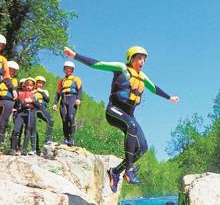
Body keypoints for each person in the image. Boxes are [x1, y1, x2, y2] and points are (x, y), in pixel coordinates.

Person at [63, 46, 179, 192]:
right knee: (131, 125)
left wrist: (169, 97)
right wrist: (75, 56)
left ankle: (116, 172)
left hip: (129, 116)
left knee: (142, 148)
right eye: (138, 58)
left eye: (144, 59)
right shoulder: (120, 67)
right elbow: (97, 64)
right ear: (130, 58)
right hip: (113, 111)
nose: (141, 62)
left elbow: (154, 88)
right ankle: (129, 170)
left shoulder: (142, 76)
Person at [53, 61, 82, 146]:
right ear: (64, 69)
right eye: (66, 68)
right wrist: (55, 103)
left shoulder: (76, 79)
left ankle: (71, 138)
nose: (68, 70)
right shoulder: (61, 81)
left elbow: (80, 90)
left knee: (71, 117)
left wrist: (79, 99)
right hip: (64, 99)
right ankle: (66, 138)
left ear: (72, 70)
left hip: (72, 98)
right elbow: (58, 93)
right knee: (64, 119)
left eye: (70, 68)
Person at [11, 77, 40, 155]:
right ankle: (13, 148)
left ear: (33, 86)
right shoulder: (19, 93)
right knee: (16, 130)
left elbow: (38, 106)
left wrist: (32, 101)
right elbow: (16, 102)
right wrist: (14, 108)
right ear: (24, 85)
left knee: (28, 131)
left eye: (30, 85)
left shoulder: (35, 94)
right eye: (27, 85)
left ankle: (24, 149)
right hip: (20, 113)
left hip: (30, 112)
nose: (28, 87)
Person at [0, 35, 18, 151]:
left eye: (1, 45)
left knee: (2, 121)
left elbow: (6, 78)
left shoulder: (3, 60)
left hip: (4, 97)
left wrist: (13, 90)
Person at [34, 76, 54, 153]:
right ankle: (36, 148)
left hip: (42, 108)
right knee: (33, 128)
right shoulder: (32, 90)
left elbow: (47, 99)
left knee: (51, 120)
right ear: (36, 83)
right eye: (39, 83)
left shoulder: (44, 91)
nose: (40, 84)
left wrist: (41, 91)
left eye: (42, 83)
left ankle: (48, 139)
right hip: (34, 109)